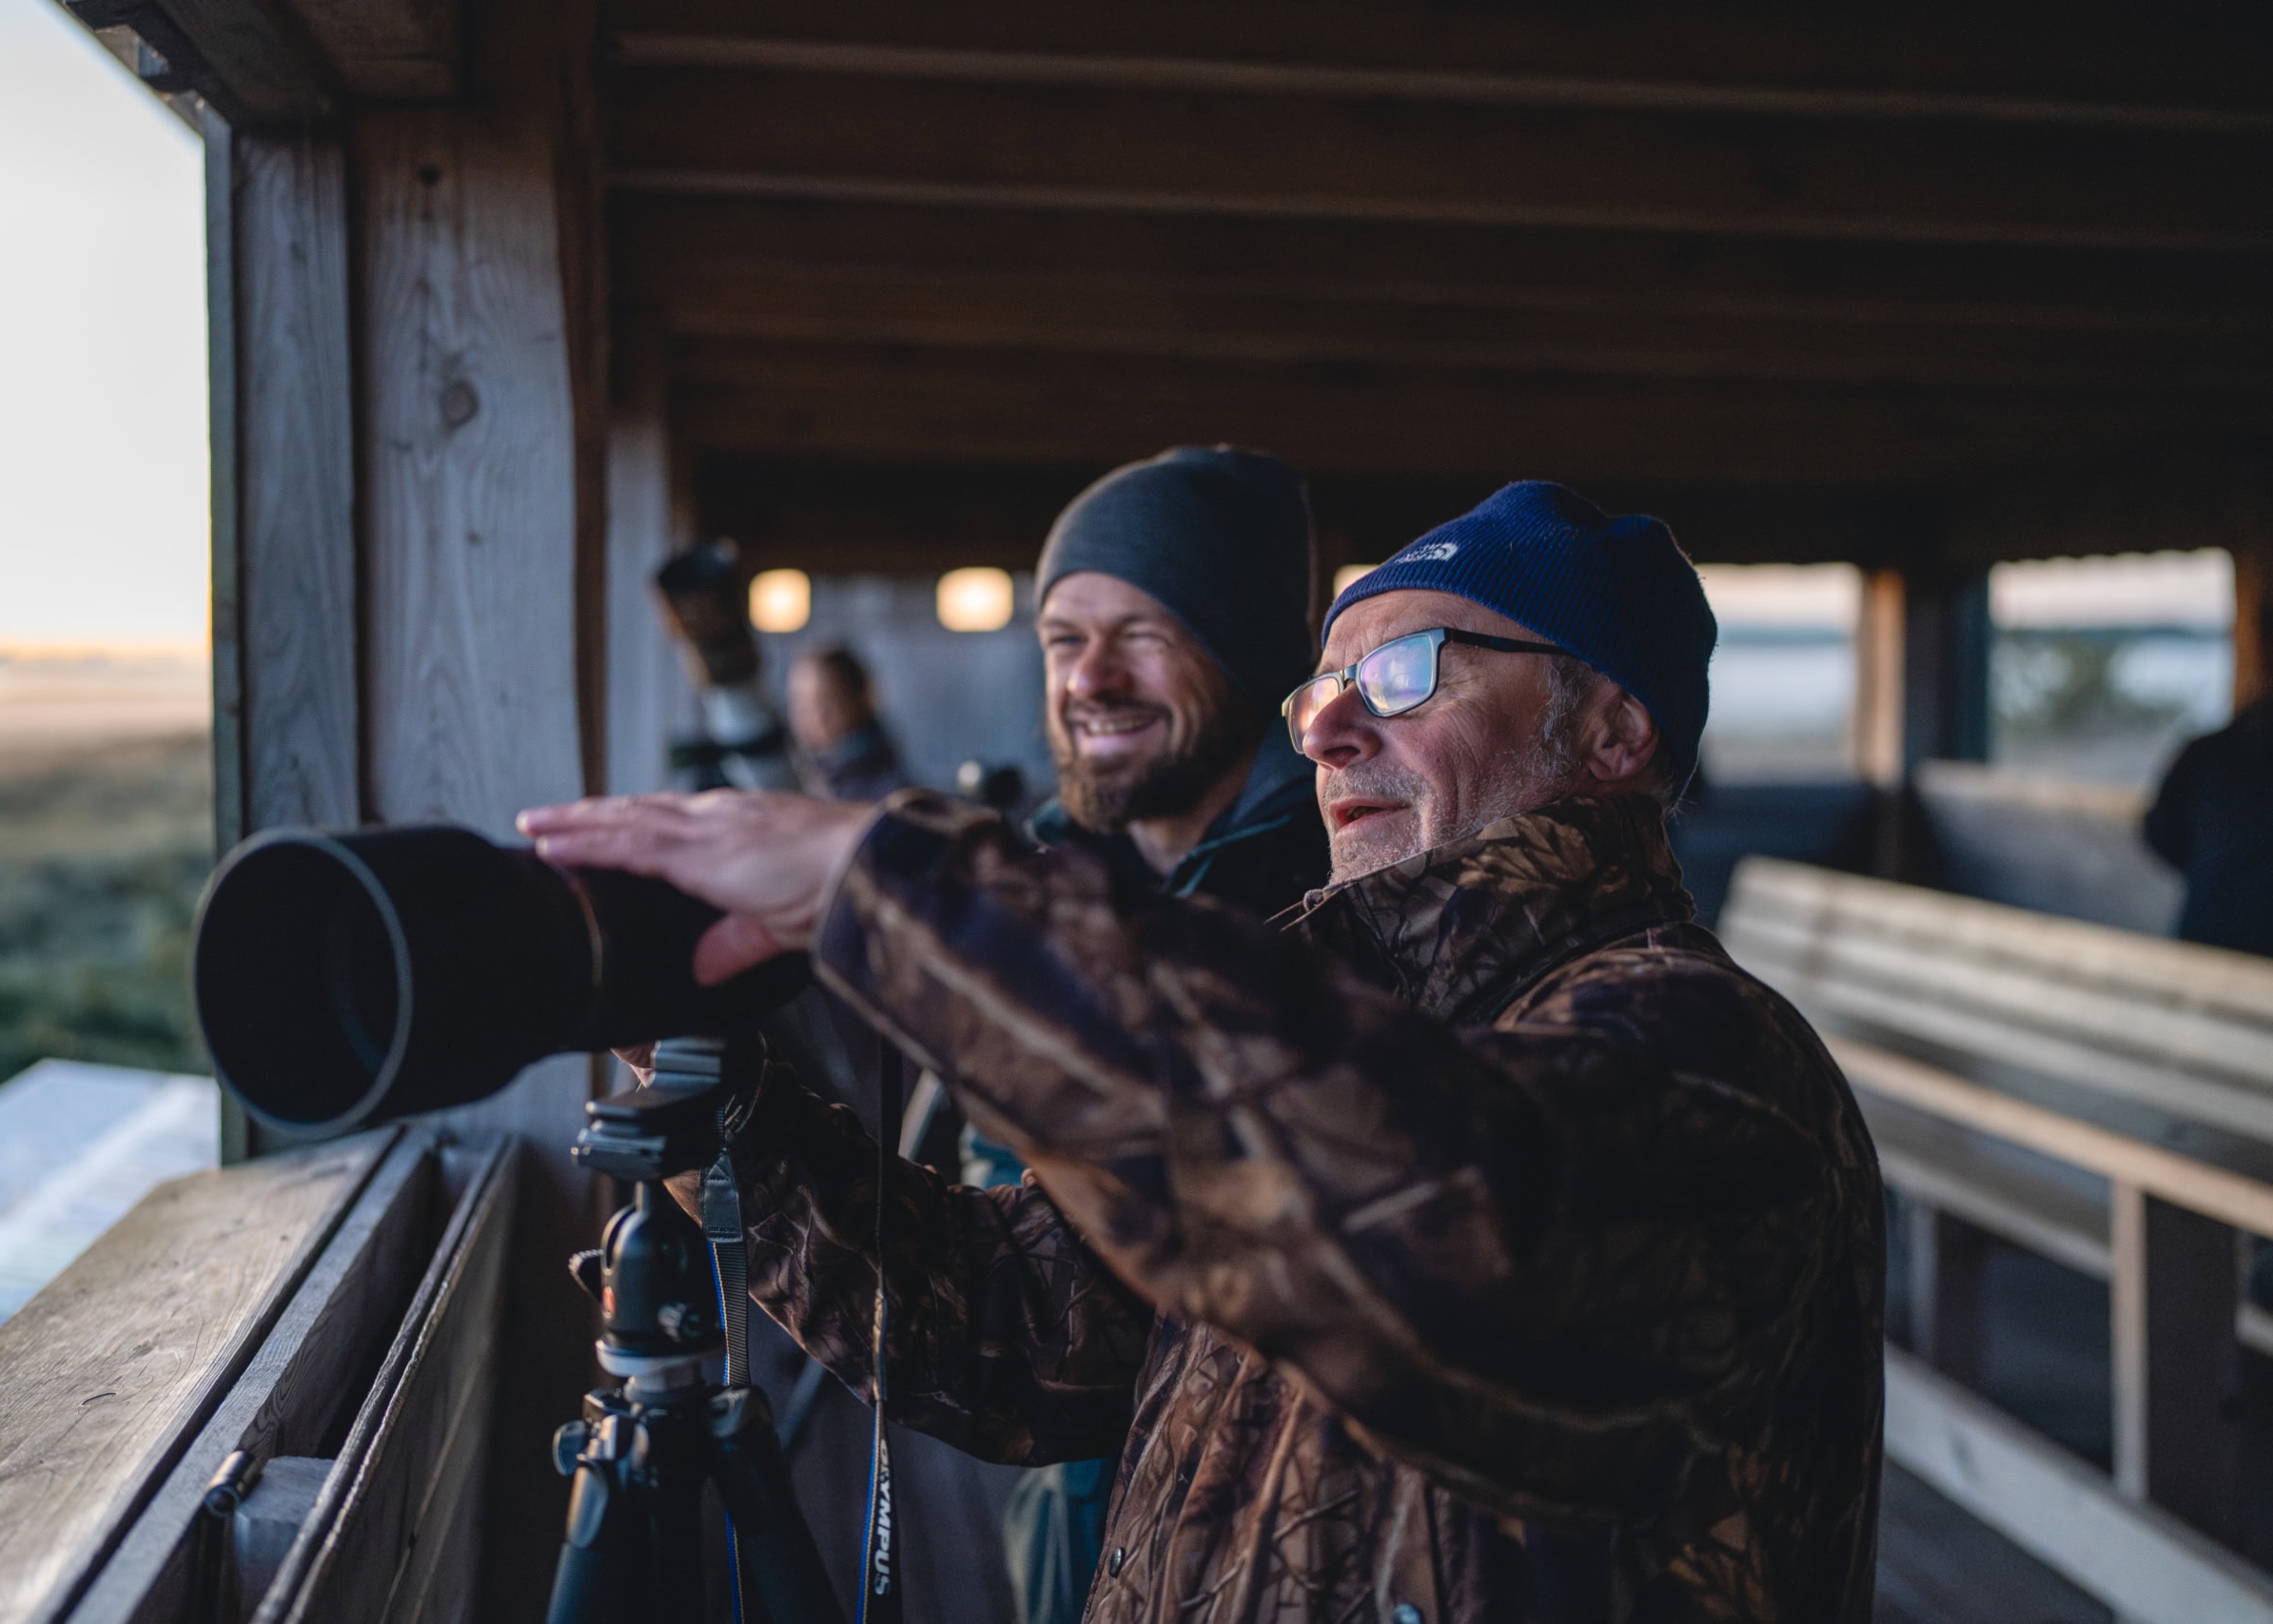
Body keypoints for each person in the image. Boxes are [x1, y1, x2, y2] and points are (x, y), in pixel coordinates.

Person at [521, 480, 1886, 1622]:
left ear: (1614, 730)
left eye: (1407, 673)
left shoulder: (1713, 1055)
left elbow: (1447, 1235)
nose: (1337, 724)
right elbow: (1020, 1329)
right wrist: (727, 1101)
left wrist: (901, 890)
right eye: (1324, 689)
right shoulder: (1346, 1023)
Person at [973, 445, 1333, 1622]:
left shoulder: (1335, 904)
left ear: (1245, 650)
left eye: (1146, 631)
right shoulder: (1052, 882)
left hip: (1256, 1529)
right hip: (1069, 1491)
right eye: (1064, 639)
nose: (1092, 678)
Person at [2144, 678, 2273, 957]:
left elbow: (2158, 835)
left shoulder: (2208, 749)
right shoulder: (2207, 751)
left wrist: (2215, 869)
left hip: (2204, 938)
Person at [788, 645, 911, 802]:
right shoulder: (808, 772)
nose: (813, 715)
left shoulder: (888, 792)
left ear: (859, 699)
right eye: (799, 702)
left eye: (826, 701)